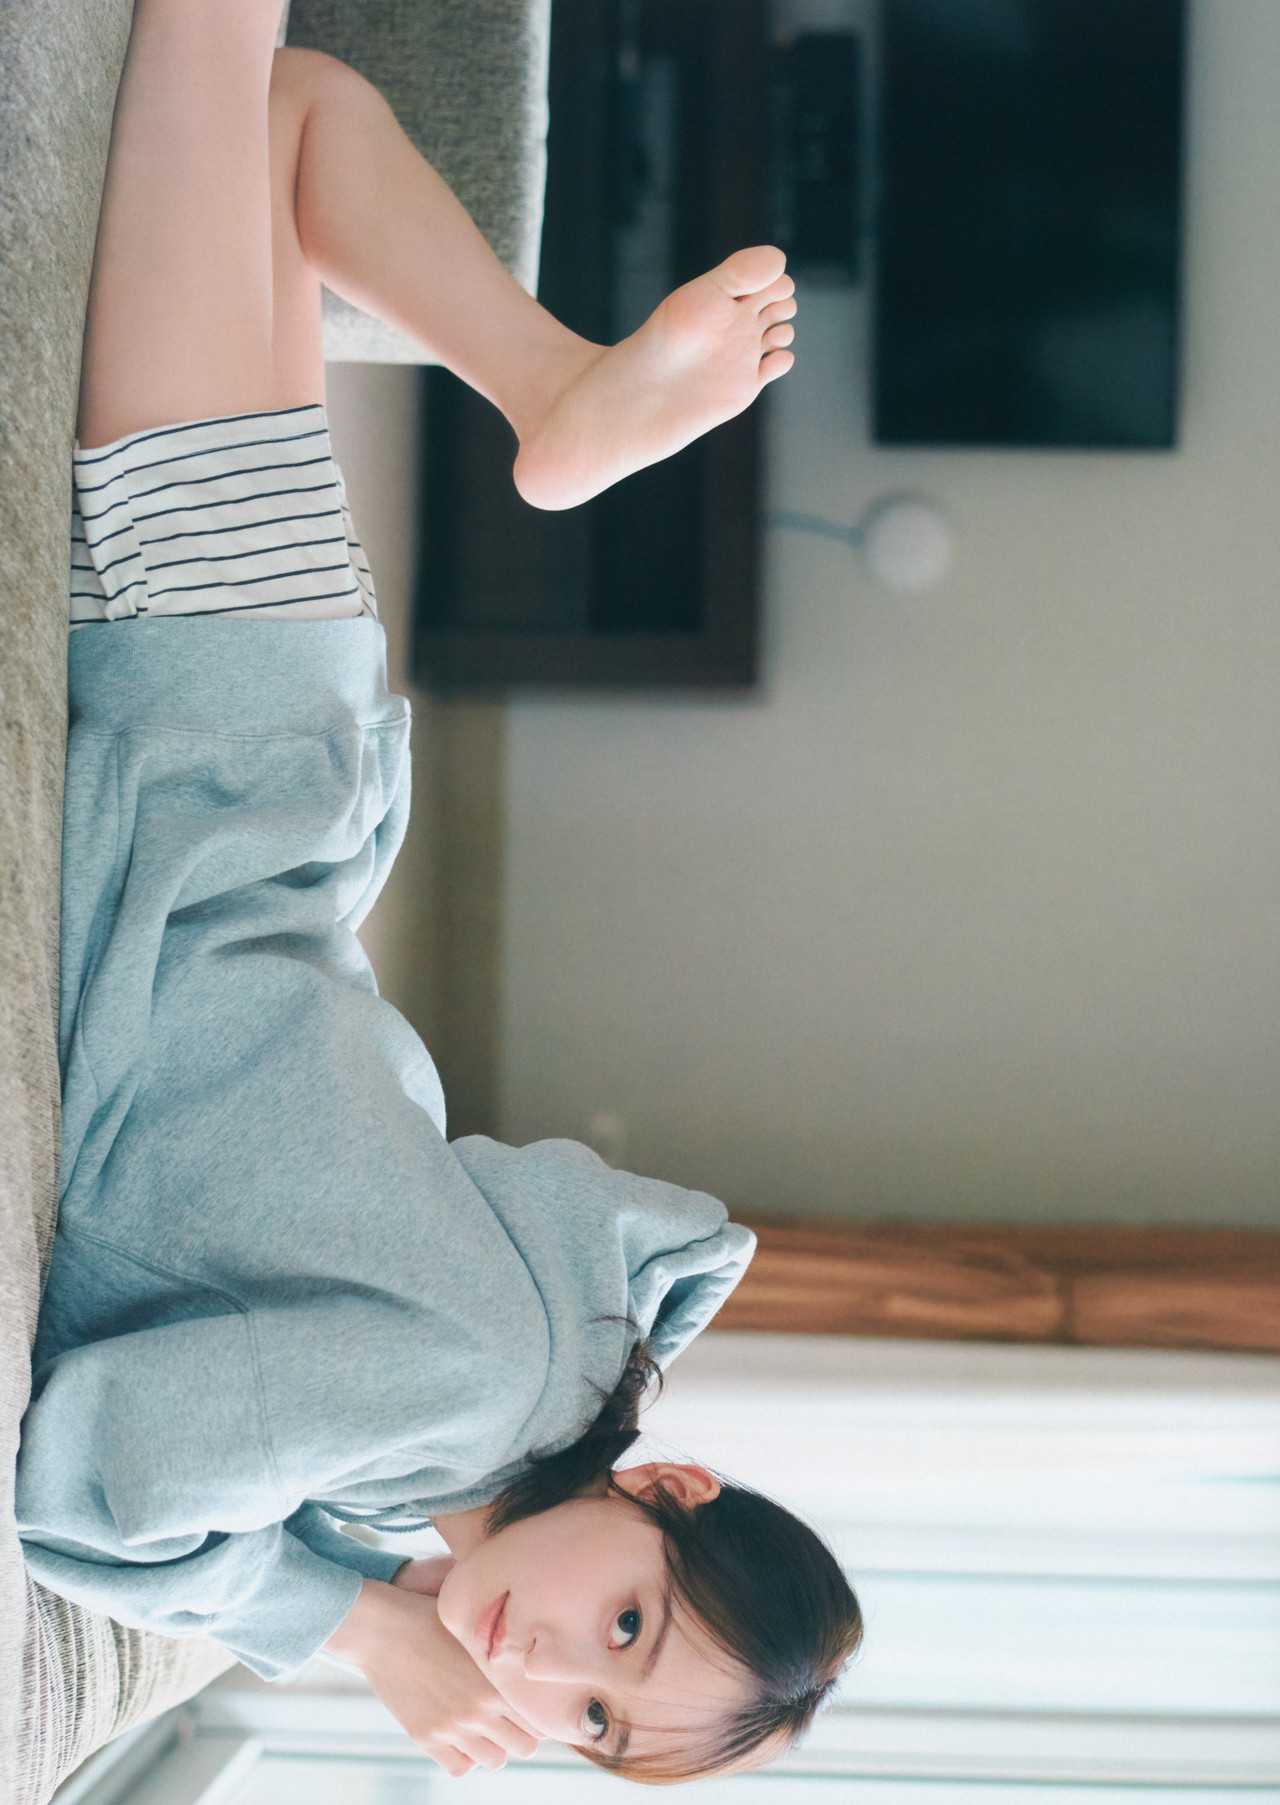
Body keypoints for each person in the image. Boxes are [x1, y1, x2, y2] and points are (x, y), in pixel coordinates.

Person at [18, 0, 860, 1785]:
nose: (546, 1671)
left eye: (592, 1726)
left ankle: (548, 384)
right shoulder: (452, 1402)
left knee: (291, 108)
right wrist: (352, 1620)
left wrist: (364, 1572)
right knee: (213, 47)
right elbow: (89, 1474)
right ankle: (549, 395)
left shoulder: (520, 1382)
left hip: (276, 744)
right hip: (205, 714)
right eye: (627, 1625)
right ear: (665, 1488)